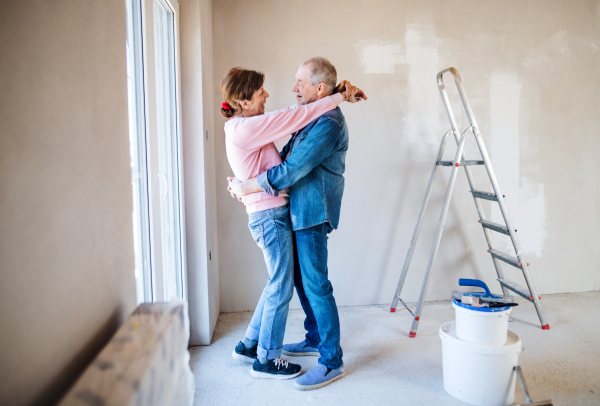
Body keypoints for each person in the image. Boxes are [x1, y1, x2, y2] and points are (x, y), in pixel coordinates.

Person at [228, 57, 366, 389]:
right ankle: (315, 338)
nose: (293, 89)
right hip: (295, 212)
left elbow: (291, 170)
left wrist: (250, 184)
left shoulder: (328, 124)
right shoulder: (314, 115)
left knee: (316, 285)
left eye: (300, 83)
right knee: (301, 283)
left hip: (311, 213)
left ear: (319, 88)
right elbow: (292, 128)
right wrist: (339, 92)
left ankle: (331, 361)